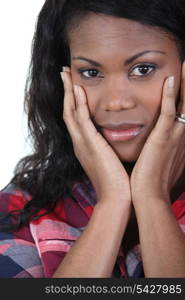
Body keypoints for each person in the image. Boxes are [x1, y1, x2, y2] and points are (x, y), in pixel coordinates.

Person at [0, 0, 185, 278]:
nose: (115, 102)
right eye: (91, 72)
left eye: (143, 69)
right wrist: (111, 204)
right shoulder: (20, 208)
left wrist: (152, 198)